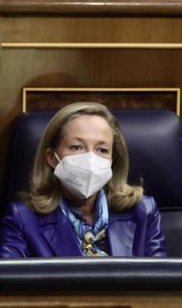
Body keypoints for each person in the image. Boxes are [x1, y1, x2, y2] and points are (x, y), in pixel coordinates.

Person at [0, 102, 166, 257]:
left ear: (113, 160)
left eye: (102, 150)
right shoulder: (23, 219)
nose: (90, 159)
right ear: (52, 157)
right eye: (76, 147)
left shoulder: (143, 211)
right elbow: (11, 286)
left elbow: (160, 283)